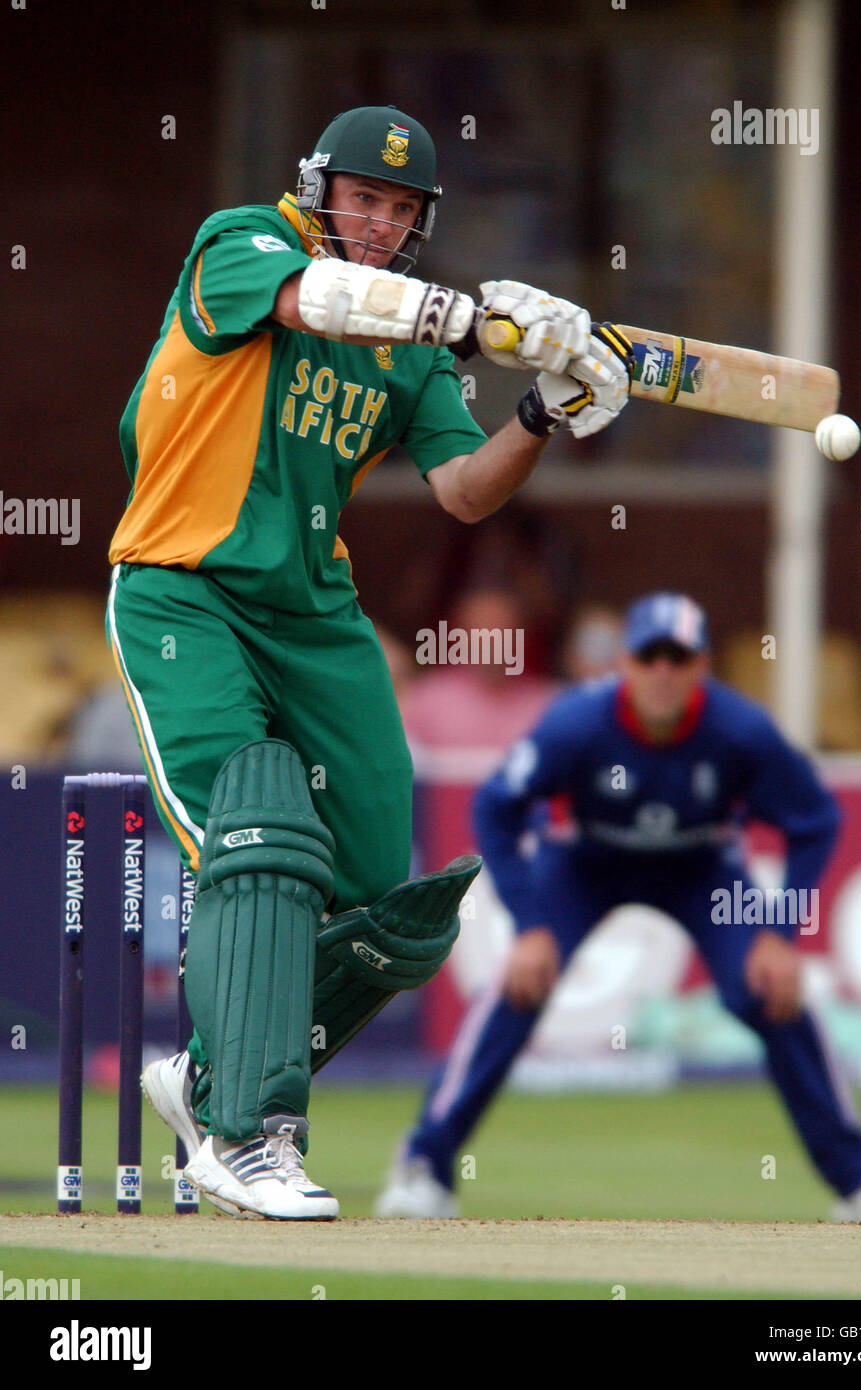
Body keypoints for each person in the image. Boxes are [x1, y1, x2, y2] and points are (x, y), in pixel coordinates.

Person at [107, 104, 633, 1220]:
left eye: (402, 210)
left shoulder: (407, 344)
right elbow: (317, 301)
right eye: (365, 198)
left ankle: (204, 1085)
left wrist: (543, 408)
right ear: (319, 187)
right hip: (183, 586)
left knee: (398, 906)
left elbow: (461, 489)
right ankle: (249, 1135)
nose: (381, 223)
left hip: (313, 612)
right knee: (260, 824)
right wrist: (473, 316)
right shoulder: (243, 243)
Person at [376, 592, 861, 1225]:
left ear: (703, 667)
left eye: (680, 657)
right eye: (649, 656)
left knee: (772, 993)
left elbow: (816, 819)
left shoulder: (740, 729)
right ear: (627, 666)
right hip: (587, 862)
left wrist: (779, 934)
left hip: (702, 867)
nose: (663, 671)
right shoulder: (576, 724)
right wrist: (528, 926)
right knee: (516, 987)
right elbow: (496, 806)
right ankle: (425, 1164)